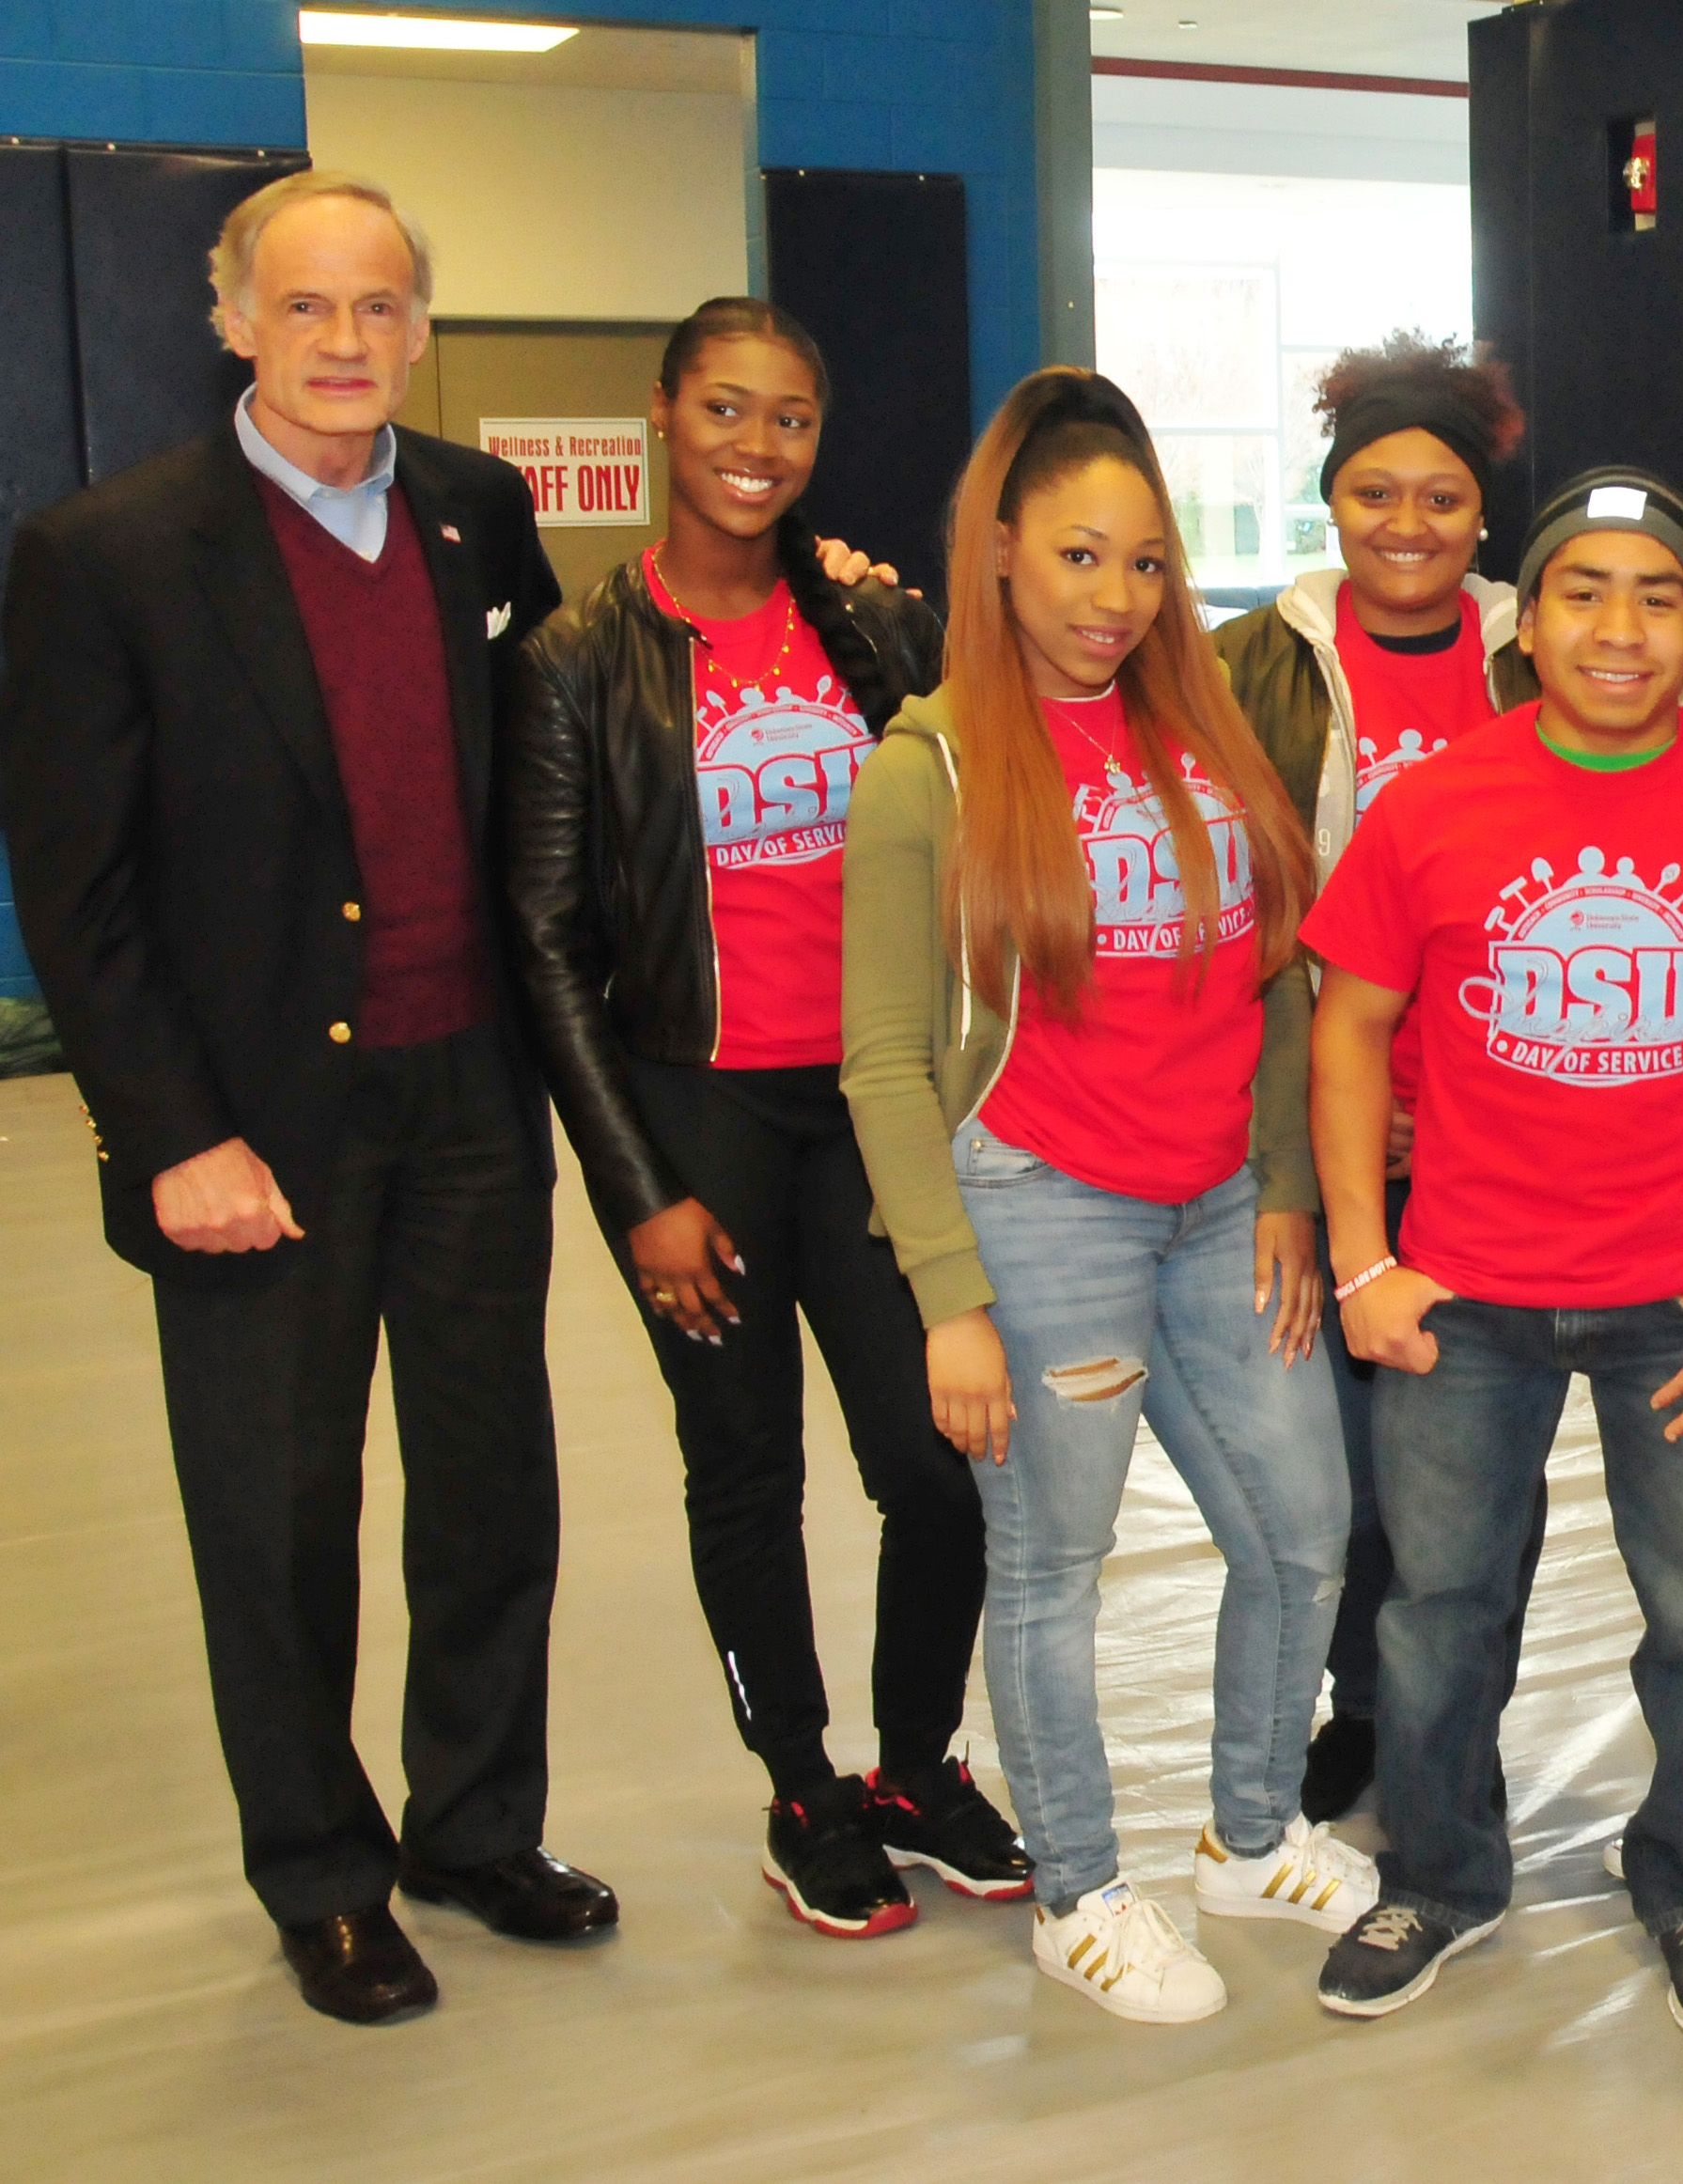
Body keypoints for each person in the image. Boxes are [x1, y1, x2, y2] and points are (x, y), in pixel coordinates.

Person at [0, 170, 612, 2025]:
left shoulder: (476, 515)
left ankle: (475, 1823)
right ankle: (325, 1871)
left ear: (421, 326)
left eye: (380, 308)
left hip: (467, 1094)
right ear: (232, 321)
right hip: (258, 1119)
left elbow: (544, 762)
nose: (346, 343)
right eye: (306, 308)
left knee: (493, 1483)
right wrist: (172, 1131)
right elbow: (76, 889)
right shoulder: (108, 554)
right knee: (277, 1511)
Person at [839, 367, 1367, 2025]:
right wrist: (950, 1298)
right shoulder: (926, 769)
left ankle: (1249, 1829)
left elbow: (1281, 978)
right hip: (1041, 1207)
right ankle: (1079, 1885)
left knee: (1303, 1530)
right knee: (1053, 1565)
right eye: (1079, 559)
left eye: (1147, 563)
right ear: (1000, 553)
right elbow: (881, 1065)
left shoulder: (1201, 729)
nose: (1116, 600)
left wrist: (1287, 1188)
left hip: (1222, 1204)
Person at [500, 297, 1031, 1942]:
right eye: (726, 411)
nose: (756, 447)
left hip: (872, 1107)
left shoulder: (875, 634)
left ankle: (916, 1764)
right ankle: (802, 1783)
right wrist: (639, 1188)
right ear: (664, 416)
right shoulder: (580, 664)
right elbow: (547, 941)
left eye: (789, 418)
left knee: (938, 1466)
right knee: (745, 1469)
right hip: (695, 1112)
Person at [1307, 468, 1683, 2040]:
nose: (1621, 629)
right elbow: (1347, 1034)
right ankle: (1442, 1872)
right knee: (1437, 1612)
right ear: (1526, 618)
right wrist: (1364, 1260)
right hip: (1465, 1299)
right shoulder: (1434, 804)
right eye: (1585, 593)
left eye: (1660, 596)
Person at [1212, 332, 1528, 1827]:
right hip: (1310, 1127)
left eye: (1443, 499)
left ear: (1485, 516)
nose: (1408, 526)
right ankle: (1360, 1704)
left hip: (1497, 1141)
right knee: (1331, 1467)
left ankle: (1449, 1722)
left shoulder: (1538, 654)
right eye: (1375, 493)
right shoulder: (1241, 671)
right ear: (1330, 503)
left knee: (1465, 1480)